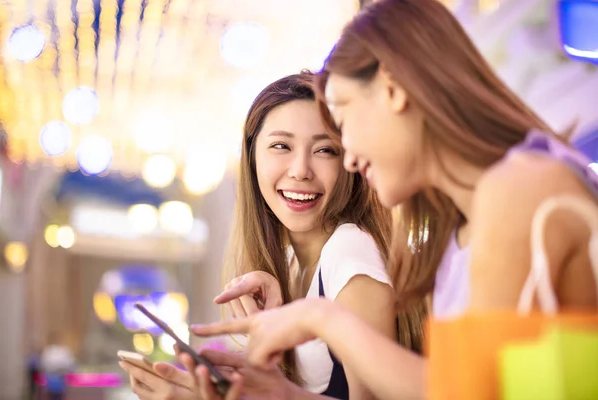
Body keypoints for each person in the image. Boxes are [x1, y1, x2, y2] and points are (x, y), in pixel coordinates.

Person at [190, 1, 598, 399]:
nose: (348, 155)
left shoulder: (518, 187)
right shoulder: (464, 228)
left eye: (343, 121)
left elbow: (468, 393)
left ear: (392, 88)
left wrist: (323, 318)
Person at [120, 71, 426, 399]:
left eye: (325, 150)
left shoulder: (348, 250)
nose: (300, 170)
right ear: (252, 158)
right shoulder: (290, 264)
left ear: (349, 161)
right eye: (281, 146)